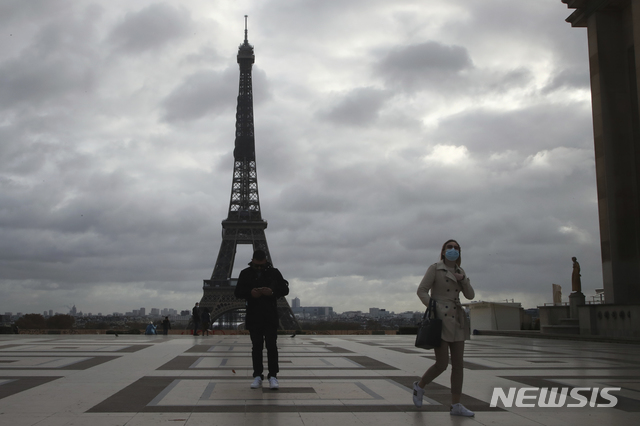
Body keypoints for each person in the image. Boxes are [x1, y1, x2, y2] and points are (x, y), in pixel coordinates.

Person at [413, 239, 476, 417]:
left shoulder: (460, 271)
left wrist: (463, 280)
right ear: (443, 251)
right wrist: (433, 307)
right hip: (440, 320)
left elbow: (470, 295)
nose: (453, 250)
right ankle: (420, 386)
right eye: (450, 247)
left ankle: (456, 404)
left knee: (458, 365)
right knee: (442, 364)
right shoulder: (435, 268)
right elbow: (421, 290)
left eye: (456, 248)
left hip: (457, 320)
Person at [234, 249, 289, 390]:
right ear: (252, 261)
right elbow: (238, 292)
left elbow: (285, 290)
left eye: (261, 265)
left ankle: (273, 376)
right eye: (257, 265)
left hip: (269, 315)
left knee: (271, 346)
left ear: (265, 261)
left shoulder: (274, 273)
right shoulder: (245, 273)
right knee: (257, 347)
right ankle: (258, 375)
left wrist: (271, 292)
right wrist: (251, 293)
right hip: (254, 315)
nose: (259, 268)